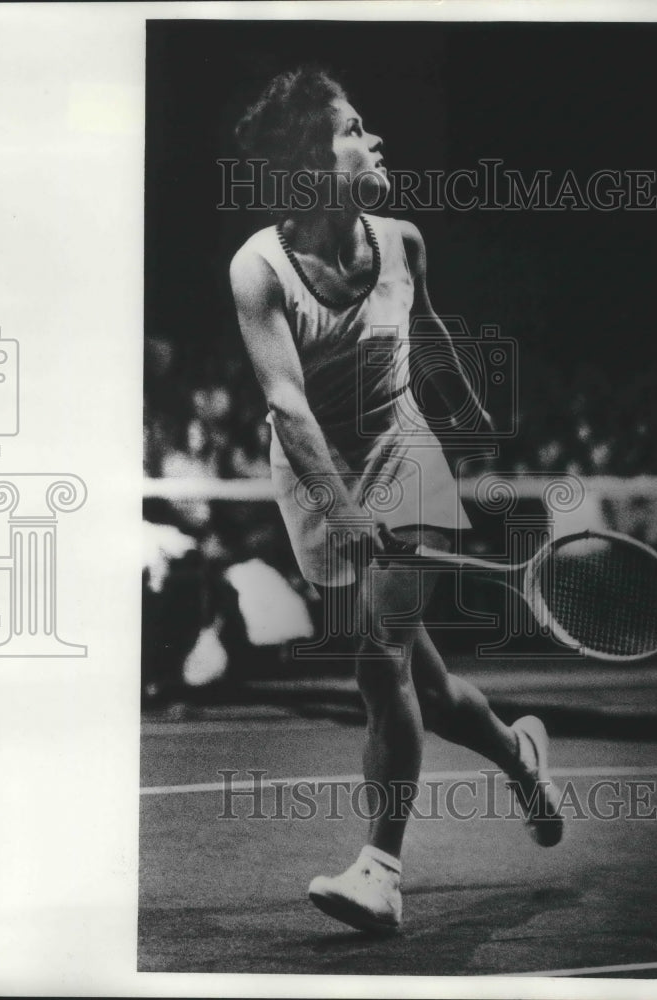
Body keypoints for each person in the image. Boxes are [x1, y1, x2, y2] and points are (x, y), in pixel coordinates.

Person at [229, 67, 563, 933]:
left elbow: (429, 327)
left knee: (378, 664)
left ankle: (379, 872)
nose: (374, 140)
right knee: (431, 689)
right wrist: (343, 511)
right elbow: (287, 405)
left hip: (404, 454)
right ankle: (520, 757)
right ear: (310, 158)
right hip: (315, 481)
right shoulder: (257, 270)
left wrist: (462, 406)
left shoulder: (403, 240)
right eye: (353, 128)